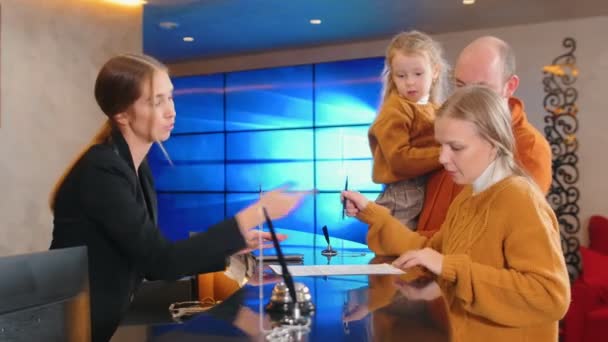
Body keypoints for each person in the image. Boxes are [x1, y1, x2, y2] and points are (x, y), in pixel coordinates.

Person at [49, 54, 308, 342]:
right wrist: (257, 212)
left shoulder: (137, 169)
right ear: (122, 113)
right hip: (72, 328)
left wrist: (239, 265)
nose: (171, 111)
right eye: (156, 101)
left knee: (225, 311)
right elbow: (161, 262)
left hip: (109, 315)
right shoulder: (102, 170)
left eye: (170, 97)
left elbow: (154, 259)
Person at [343, 85, 569, 341]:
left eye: (456, 147)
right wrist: (372, 213)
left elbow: (550, 296)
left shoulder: (520, 198)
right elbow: (431, 250)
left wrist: (450, 268)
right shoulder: (468, 197)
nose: (442, 158)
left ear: (493, 144)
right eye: (441, 146)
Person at [416, 36, 552, 238]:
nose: (465, 100)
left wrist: (413, 245)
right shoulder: (446, 129)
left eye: (480, 90)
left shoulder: (529, 147)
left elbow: (490, 237)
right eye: (460, 86)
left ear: (510, 86)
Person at [368, 30, 449, 228]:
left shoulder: (436, 108)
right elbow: (400, 160)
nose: (410, 81)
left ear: (435, 71)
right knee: (397, 249)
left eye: (418, 73)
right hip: (403, 193)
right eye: (401, 75)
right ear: (392, 77)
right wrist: (446, 154)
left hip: (427, 186)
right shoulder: (395, 109)